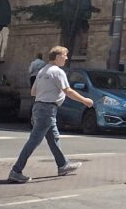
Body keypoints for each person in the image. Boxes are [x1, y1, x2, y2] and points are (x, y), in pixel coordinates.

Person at [7, 46, 93, 183]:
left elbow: (33, 92)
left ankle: (63, 165)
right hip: (47, 109)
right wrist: (85, 100)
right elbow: (68, 91)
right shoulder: (58, 72)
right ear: (58, 57)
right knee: (34, 141)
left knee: (54, 138)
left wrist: (48, 90)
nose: (66, 58)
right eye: (65, 55)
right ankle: (16, 171)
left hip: (39, 107)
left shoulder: (42, 71)